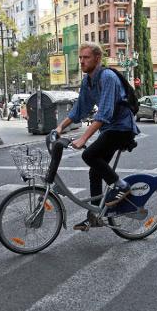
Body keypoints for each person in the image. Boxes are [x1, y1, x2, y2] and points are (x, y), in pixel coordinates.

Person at [56, 42, 139, 231]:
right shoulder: (88, 81)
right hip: (109, 129)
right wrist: (59, 128)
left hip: (122, 128)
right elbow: (80, 109)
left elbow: (105, 114)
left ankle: (122, 186)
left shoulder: (108, 77)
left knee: (89, 155)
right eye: (80, 58)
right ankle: (95, 215)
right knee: (95, 169)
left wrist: (83, 138)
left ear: (97, 58)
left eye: (86, 57)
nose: (82, 61)